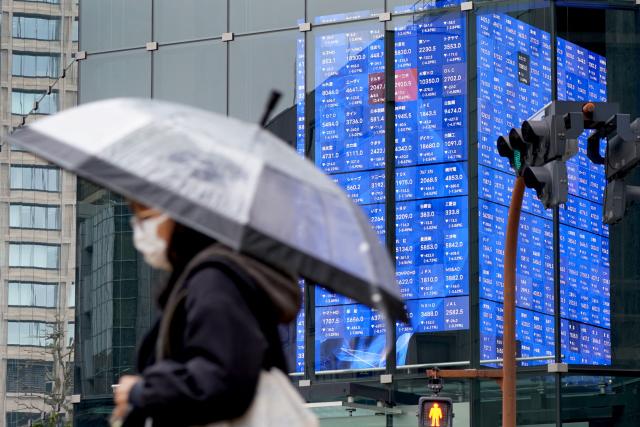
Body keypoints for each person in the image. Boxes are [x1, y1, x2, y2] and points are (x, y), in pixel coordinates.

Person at [112, 201, 301, 427]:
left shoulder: (214, 281)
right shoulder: (203, 279)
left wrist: (141, 391)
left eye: (145, 216)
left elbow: (221, 380)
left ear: (183, 215)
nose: (139, 227)